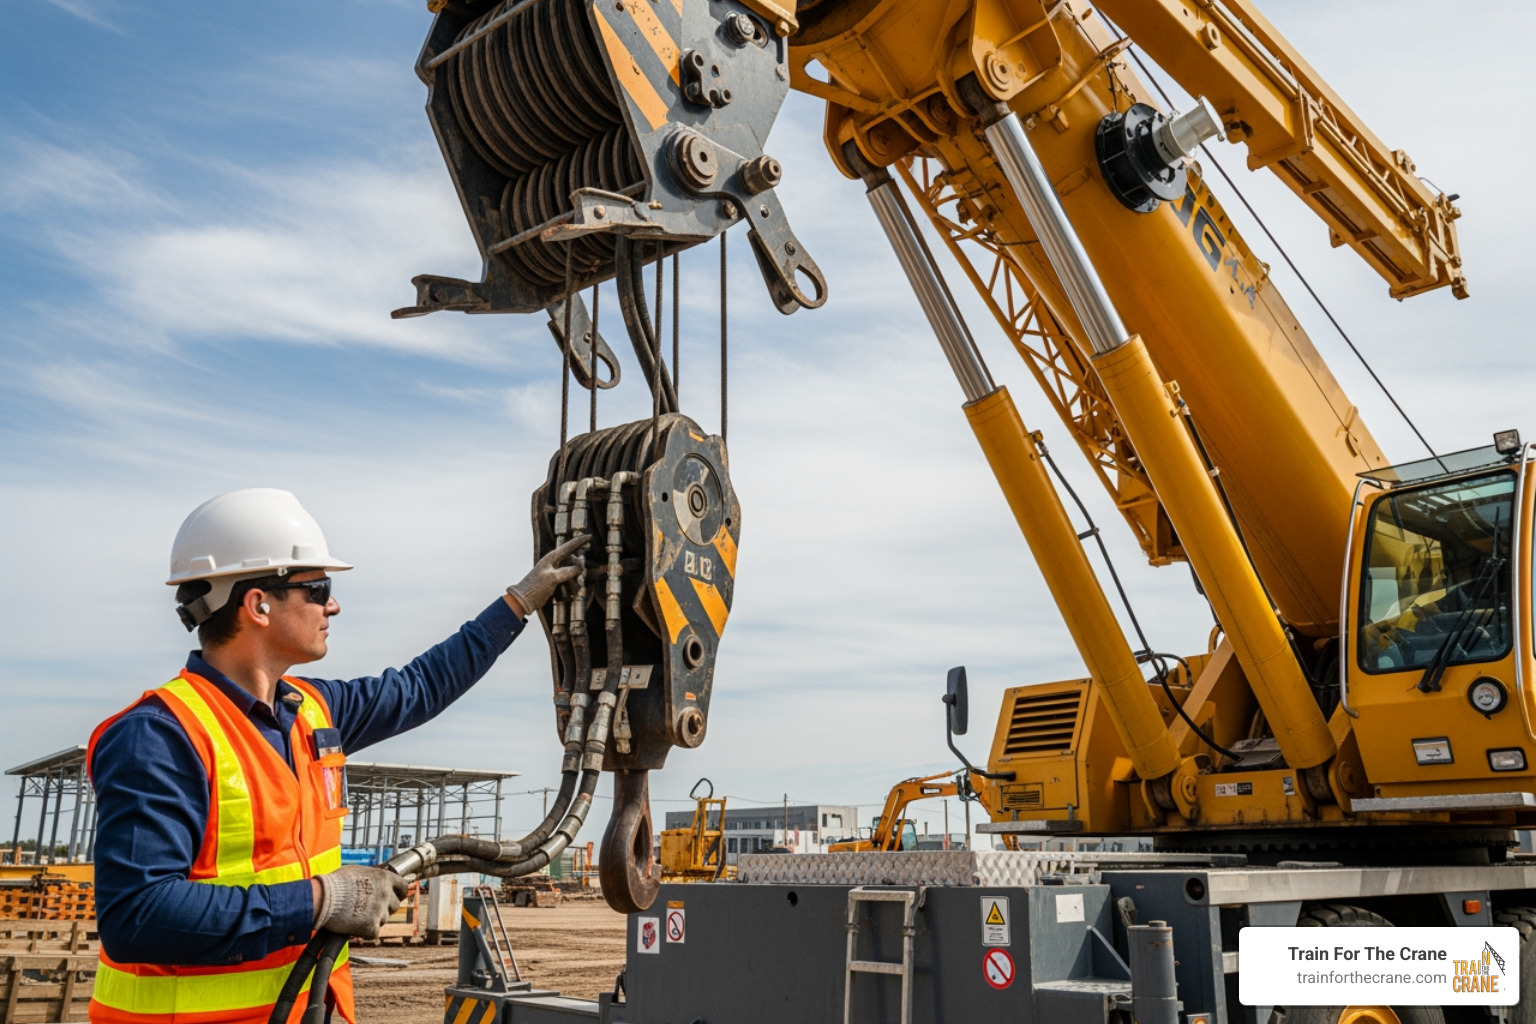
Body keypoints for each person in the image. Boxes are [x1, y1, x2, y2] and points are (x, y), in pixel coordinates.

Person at [86, 488, 587, 1024]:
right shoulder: (160, 736)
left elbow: (423, 686)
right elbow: (136, 914)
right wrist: (321, 900)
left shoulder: (314, 710)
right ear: (258, 604)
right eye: (317, 588)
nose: (333, 605)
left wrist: (518, 603)